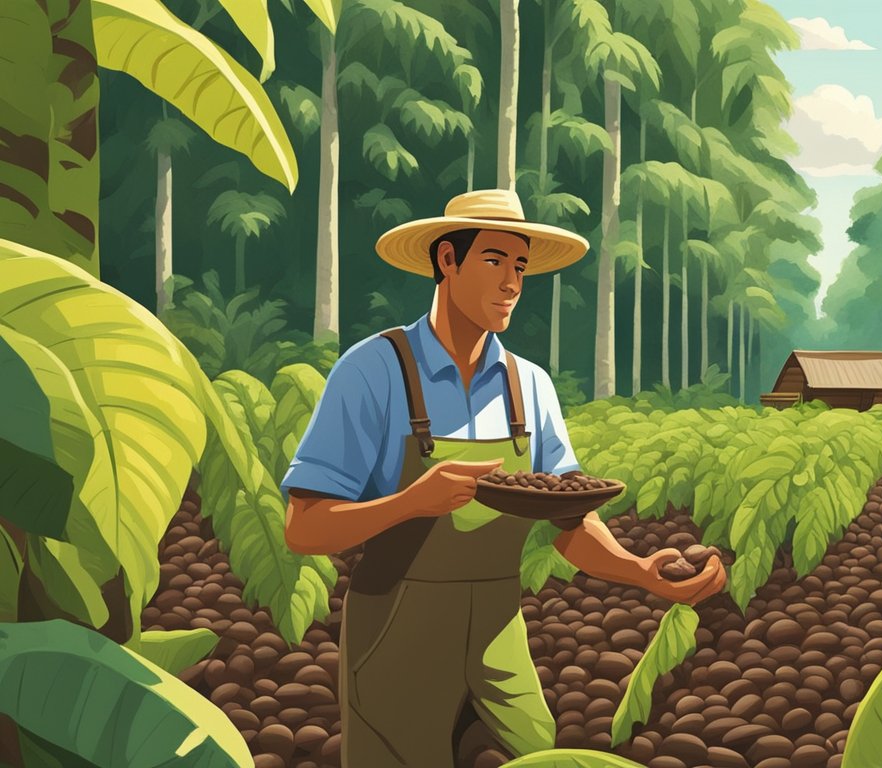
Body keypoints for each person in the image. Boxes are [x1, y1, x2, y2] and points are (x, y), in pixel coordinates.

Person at [280, 189, 727, 767]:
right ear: (447, 260)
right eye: (494, 261)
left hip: (500, 627)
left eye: (520, 266)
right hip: (397, 630)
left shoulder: (530, 385)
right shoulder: (373, 371)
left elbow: (571, 521)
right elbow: (305, 528)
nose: (513, 282)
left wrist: (641, 571)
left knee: (541, 754)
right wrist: (413, 501)